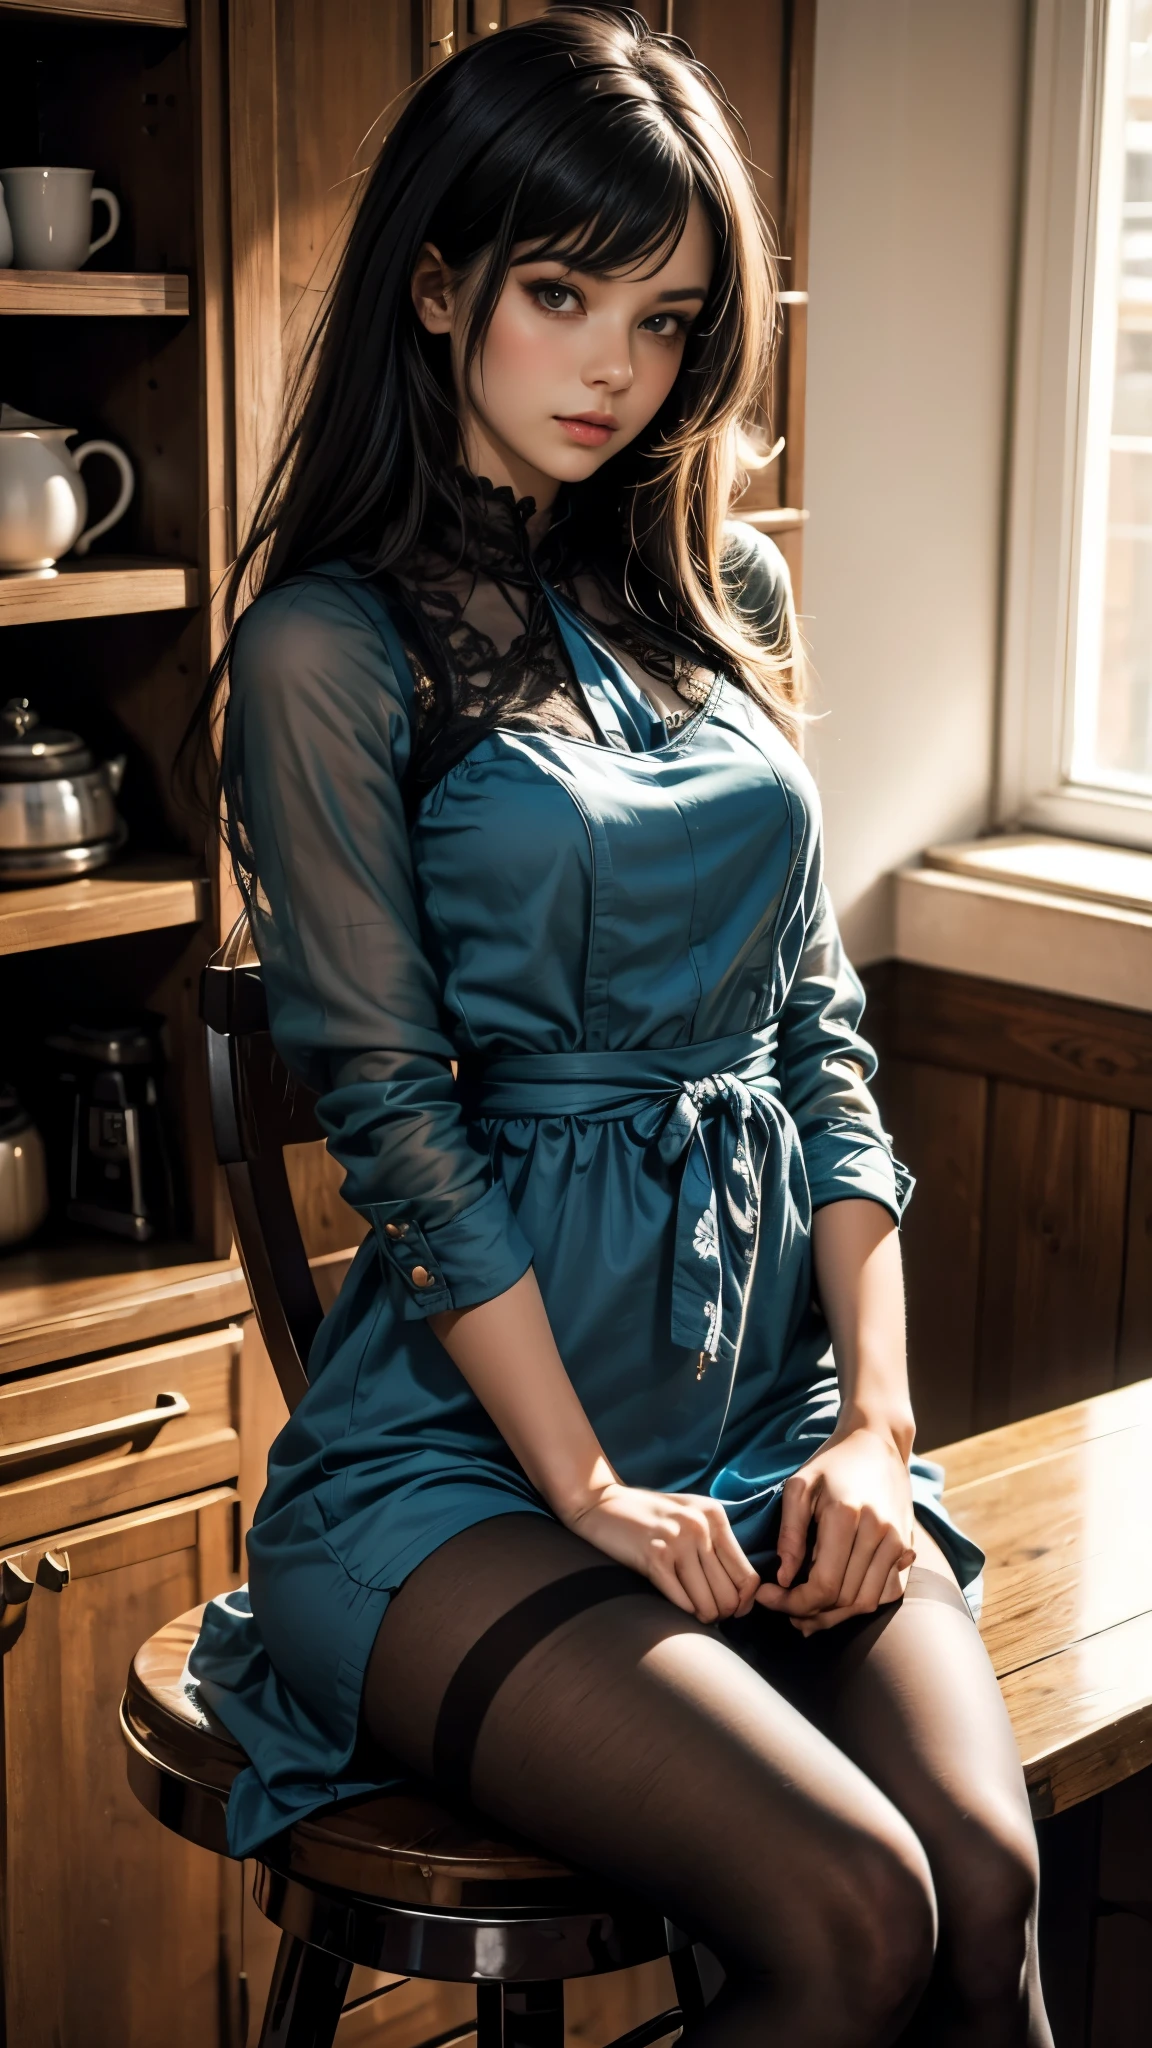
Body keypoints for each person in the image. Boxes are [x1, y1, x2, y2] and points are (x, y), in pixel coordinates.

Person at [188, 12, 1052, 2044]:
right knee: (851, 1921)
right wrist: (583, 1490)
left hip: (764, 1419)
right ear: (436, 285)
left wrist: (873, 1419)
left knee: (989, 1892)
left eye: (662, 319)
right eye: (559, 294)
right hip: (469, 1476)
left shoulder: (720, 582)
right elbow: (394, 1124)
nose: (612, 368)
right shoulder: (329, 646)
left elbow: (819, 1042)